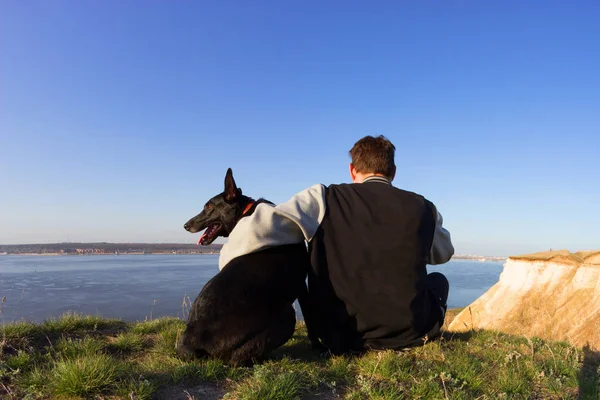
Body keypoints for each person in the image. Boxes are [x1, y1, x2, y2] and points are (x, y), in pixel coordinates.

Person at [218, 135, 454, 354]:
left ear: (352, 170)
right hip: (409, 335)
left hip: (336, 336)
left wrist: (228, 257)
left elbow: (263, 225)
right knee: (438, 281)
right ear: (393, 172)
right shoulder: (424, 208)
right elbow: (442, 254)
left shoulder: (322, 198)